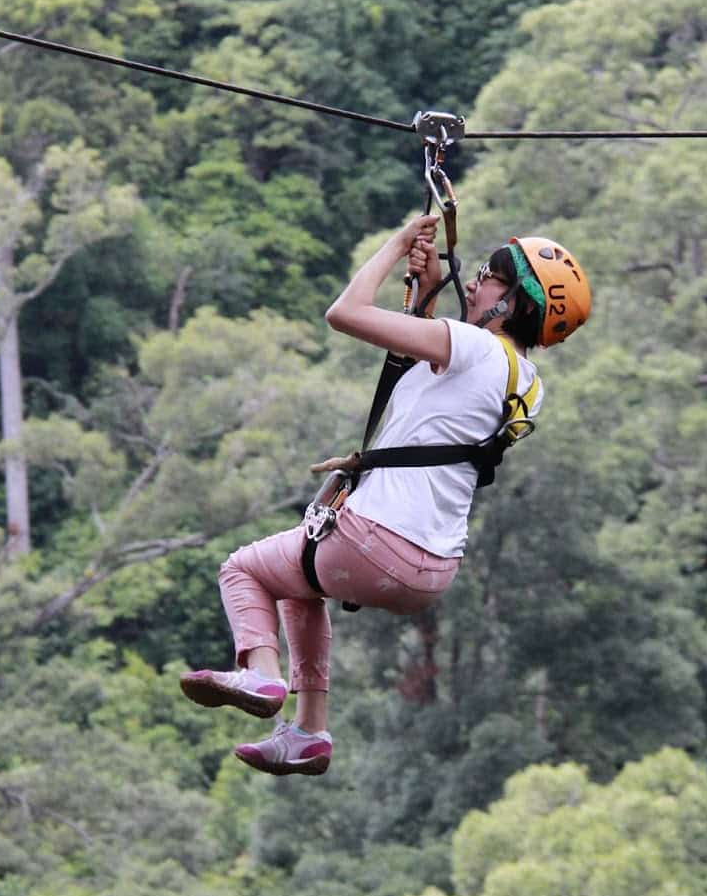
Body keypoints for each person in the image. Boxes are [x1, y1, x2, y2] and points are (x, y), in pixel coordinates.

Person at [178, 214, 591, 775]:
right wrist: (423, 297)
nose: (473, 282)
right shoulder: (525, 383)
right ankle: (309, 732)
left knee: (242, 570)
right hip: (431, 569)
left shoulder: (471, 347)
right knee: (300, 585)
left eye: (491, 276)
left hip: (374, 542)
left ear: (514, 305)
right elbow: (422, 406)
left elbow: (344, 314)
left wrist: (397, 246)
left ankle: (261, 674)